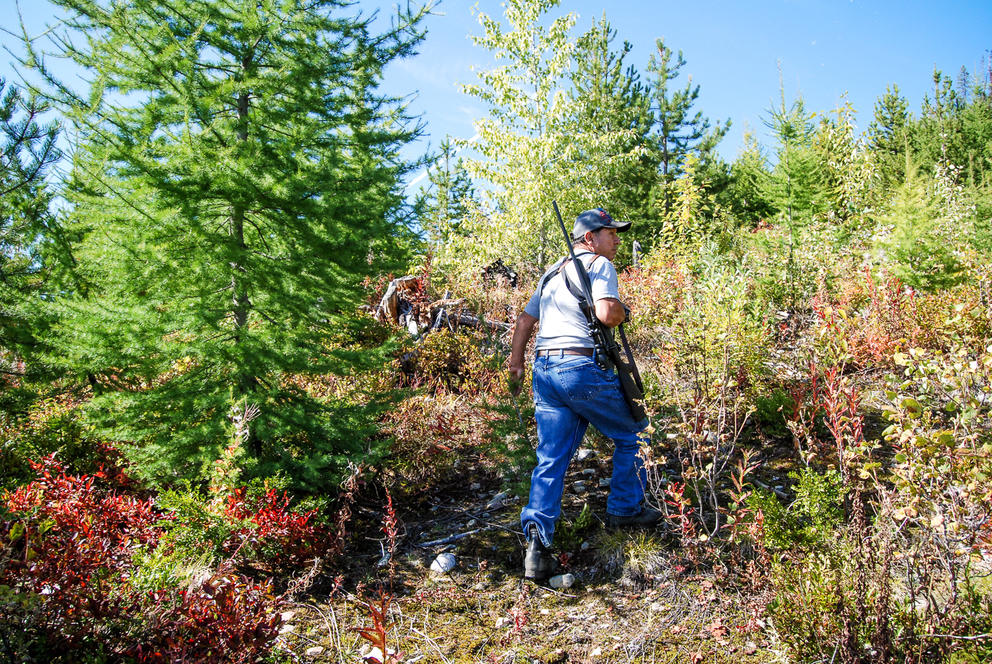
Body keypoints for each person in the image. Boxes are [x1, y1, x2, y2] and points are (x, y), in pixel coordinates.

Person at [507, 208, 661, 582]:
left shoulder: (552, 271)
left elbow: (526, 320)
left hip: (545, 370)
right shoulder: (598, 265)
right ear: (590, 238)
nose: (617, 240)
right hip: (580, 368)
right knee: (635, 434)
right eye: (611, 233)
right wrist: (623, 310)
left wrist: (516, 364)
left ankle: (538, 549)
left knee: (551, 457)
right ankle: (625, 509)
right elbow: (608, 314)